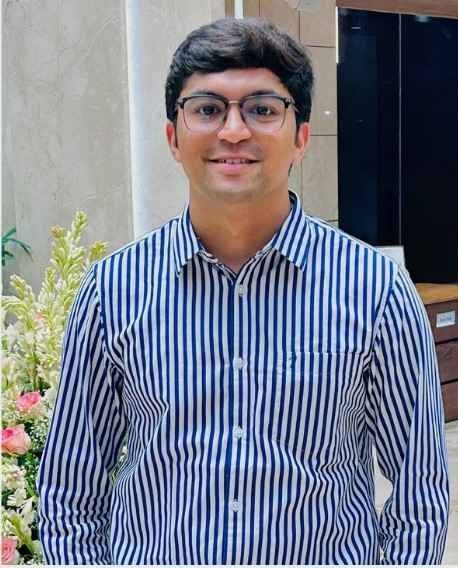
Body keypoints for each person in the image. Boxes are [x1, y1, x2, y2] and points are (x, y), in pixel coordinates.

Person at [37, 17, 449, 565]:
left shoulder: (375, 290)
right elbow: (70, 493)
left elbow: (419, 491)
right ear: (173, 137)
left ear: (300, 137)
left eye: (262, 109)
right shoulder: (113, 291)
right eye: (207, 109)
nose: (233, 131)